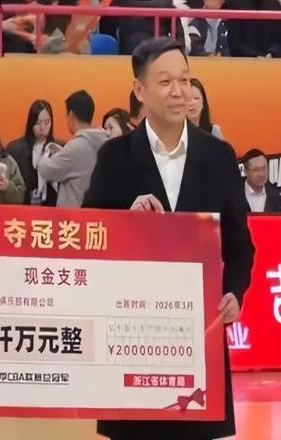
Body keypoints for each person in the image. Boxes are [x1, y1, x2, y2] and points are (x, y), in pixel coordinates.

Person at [83, 37, 254, 440]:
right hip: (132, 342)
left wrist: (234, 292)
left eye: (185, 80)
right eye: (165, 82)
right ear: (139, 90)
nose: (179, 91)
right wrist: (125, 220)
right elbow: (89, 236)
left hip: (198, 343)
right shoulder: (115, 157)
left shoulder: (219, 156)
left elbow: (240, 245)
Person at [37, 90, 108, 207]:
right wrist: (61, 152)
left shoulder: (76, 146)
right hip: (96, 213)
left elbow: (46, 170)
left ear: (71, 115)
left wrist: (45, 155)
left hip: (74, 214)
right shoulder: (105, 141)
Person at [6, 100, 60, 206]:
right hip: (23, 208)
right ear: (30, 123)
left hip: (52, 208)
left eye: (47, 122)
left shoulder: (59, 149)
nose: (42, 128)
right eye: (37, 123)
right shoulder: (15, 150)